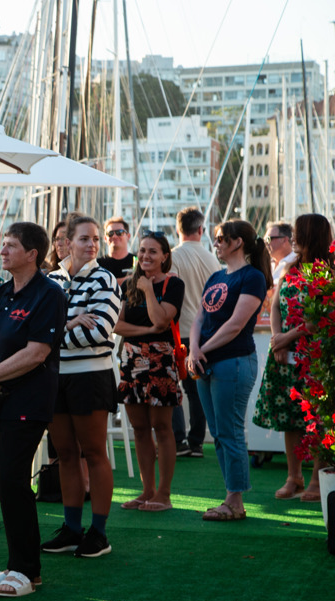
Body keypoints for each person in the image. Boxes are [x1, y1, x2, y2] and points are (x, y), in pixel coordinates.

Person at [0, 222, 66, 598]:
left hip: (28, 401)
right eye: (2, 246)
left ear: (32, 254)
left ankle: (27, 570)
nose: (2, 252)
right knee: (6, 483)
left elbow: (36, 353)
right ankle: (16, 562)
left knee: (13, 480)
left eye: (10, 246)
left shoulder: (49, 294)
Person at [44, 215, 121, 557]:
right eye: (84, 239)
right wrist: (68, 324)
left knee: (93, 453)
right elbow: (33, 330)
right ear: (66, 241)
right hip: (56, 377)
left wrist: (54, 333)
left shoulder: (105, 278)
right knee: (66, 455)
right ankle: (72, 529)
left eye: (95, 239)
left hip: (91, 376)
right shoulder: (52, 280)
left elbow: (100, 330)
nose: (92, 244)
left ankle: (99, 533)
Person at [188, 219, 271, 522]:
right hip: (207, 362)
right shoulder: (215, 276)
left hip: (233, 361)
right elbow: (199, 318)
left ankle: (234, 500)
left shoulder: (253, 277)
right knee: (219, 433)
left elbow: (236, 325)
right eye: (217, 238)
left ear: (238, 242)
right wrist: (194, 349)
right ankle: (231, 497)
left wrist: (200, 350)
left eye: (222, 238)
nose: (217, 243)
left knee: (230, 431)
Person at [253, 214, 333, 502]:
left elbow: (321, 318)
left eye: (299, 232)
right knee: (290, 418)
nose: (293, 238)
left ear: (311, 235)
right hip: (286, 355)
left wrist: (287, 337)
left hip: (316, 358)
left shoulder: (328, 272)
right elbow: (276, 304)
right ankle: (293, 476)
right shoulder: (291, 267)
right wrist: (277, 338)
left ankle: (316, 477)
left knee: (317, 419)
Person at [114, 231, 185, 512]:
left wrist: (147, 290)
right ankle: (147, 491)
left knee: (162, 427)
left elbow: (161, 318)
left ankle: (164, 494)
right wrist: (145, 331)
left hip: (160, 361)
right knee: (140, 429)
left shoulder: (173, 284)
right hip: (131, 360)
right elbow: (117, 326)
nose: (145, 256)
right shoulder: (128, 284)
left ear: (165, 256)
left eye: (153, 251)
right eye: (142, 250)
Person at [170, 207, 220, 458]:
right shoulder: (213, 259)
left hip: (179, 332)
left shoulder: (173, 257)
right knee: (197, 389)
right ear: (201, 230)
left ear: (178, 229)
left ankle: (178, 440)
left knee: (173, 387)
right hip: (206, 334)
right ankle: (197, 441)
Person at [97, 216, 135, 285]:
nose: (114, 236)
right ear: (105, 238)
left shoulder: (137, 261)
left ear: (128, 236)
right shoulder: (98, 264)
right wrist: (129, 279)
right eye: (110, 233)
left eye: (119, 232)